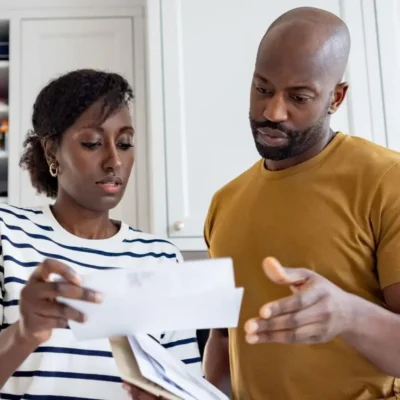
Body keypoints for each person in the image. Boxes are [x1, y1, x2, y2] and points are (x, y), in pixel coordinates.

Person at [204, 6, 400, 400]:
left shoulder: (386, 181)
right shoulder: (225, 202)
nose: (272, 112)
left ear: (336, 98)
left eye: (299, 96)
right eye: (262, 89)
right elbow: (224, 343)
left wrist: (350, 315)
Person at [0, 69, 201, 399]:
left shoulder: (162, 259)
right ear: (52, 153)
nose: (114, 161)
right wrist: (25, 333)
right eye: (93, 143)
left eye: (124, 143)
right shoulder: (7, 235)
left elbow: (186, 388)